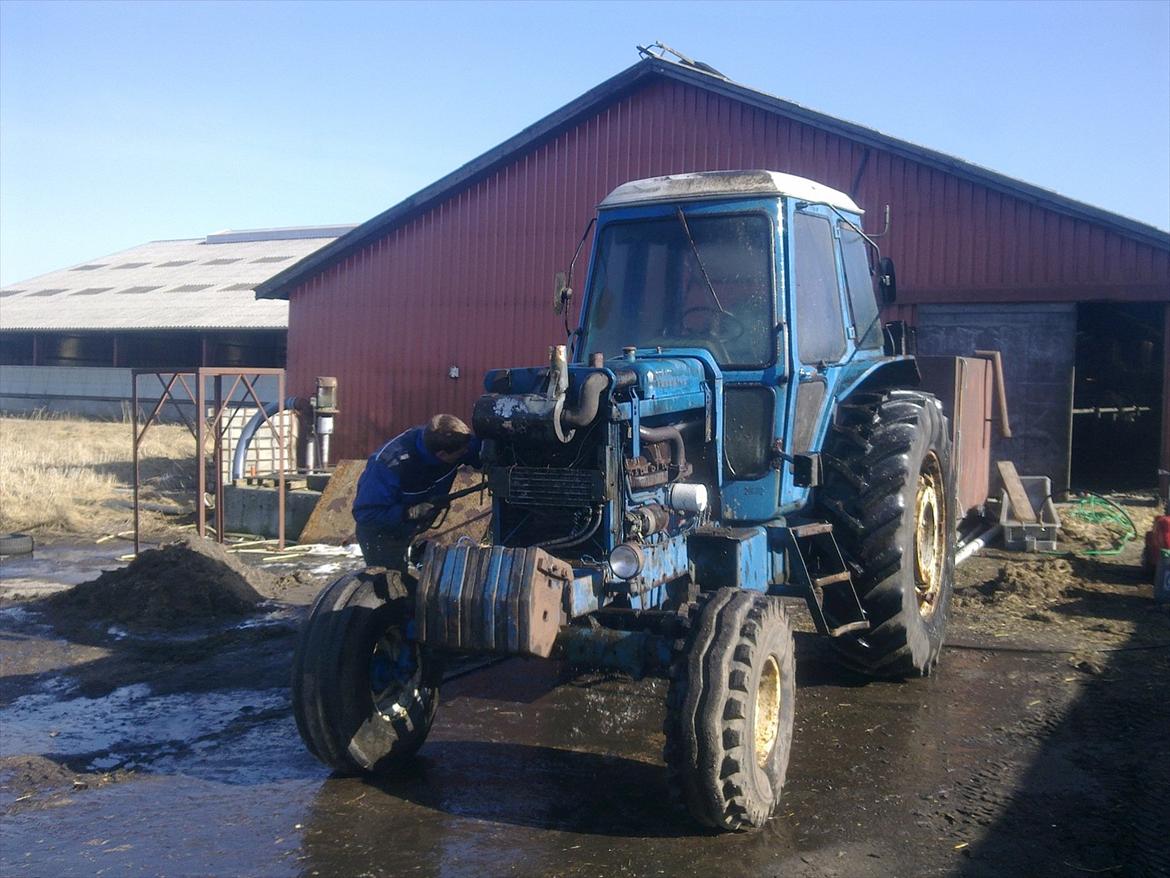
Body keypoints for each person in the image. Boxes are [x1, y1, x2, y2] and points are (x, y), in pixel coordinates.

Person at [352, 413, 481, 572]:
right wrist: (409, 512)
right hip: (380, 532)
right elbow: (366, 513)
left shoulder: (458, 443)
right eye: (461, 454)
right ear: (441, 455)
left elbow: (479, 451)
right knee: (392, 585)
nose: (467, 453)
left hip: (417, 524)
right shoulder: (388, 464)